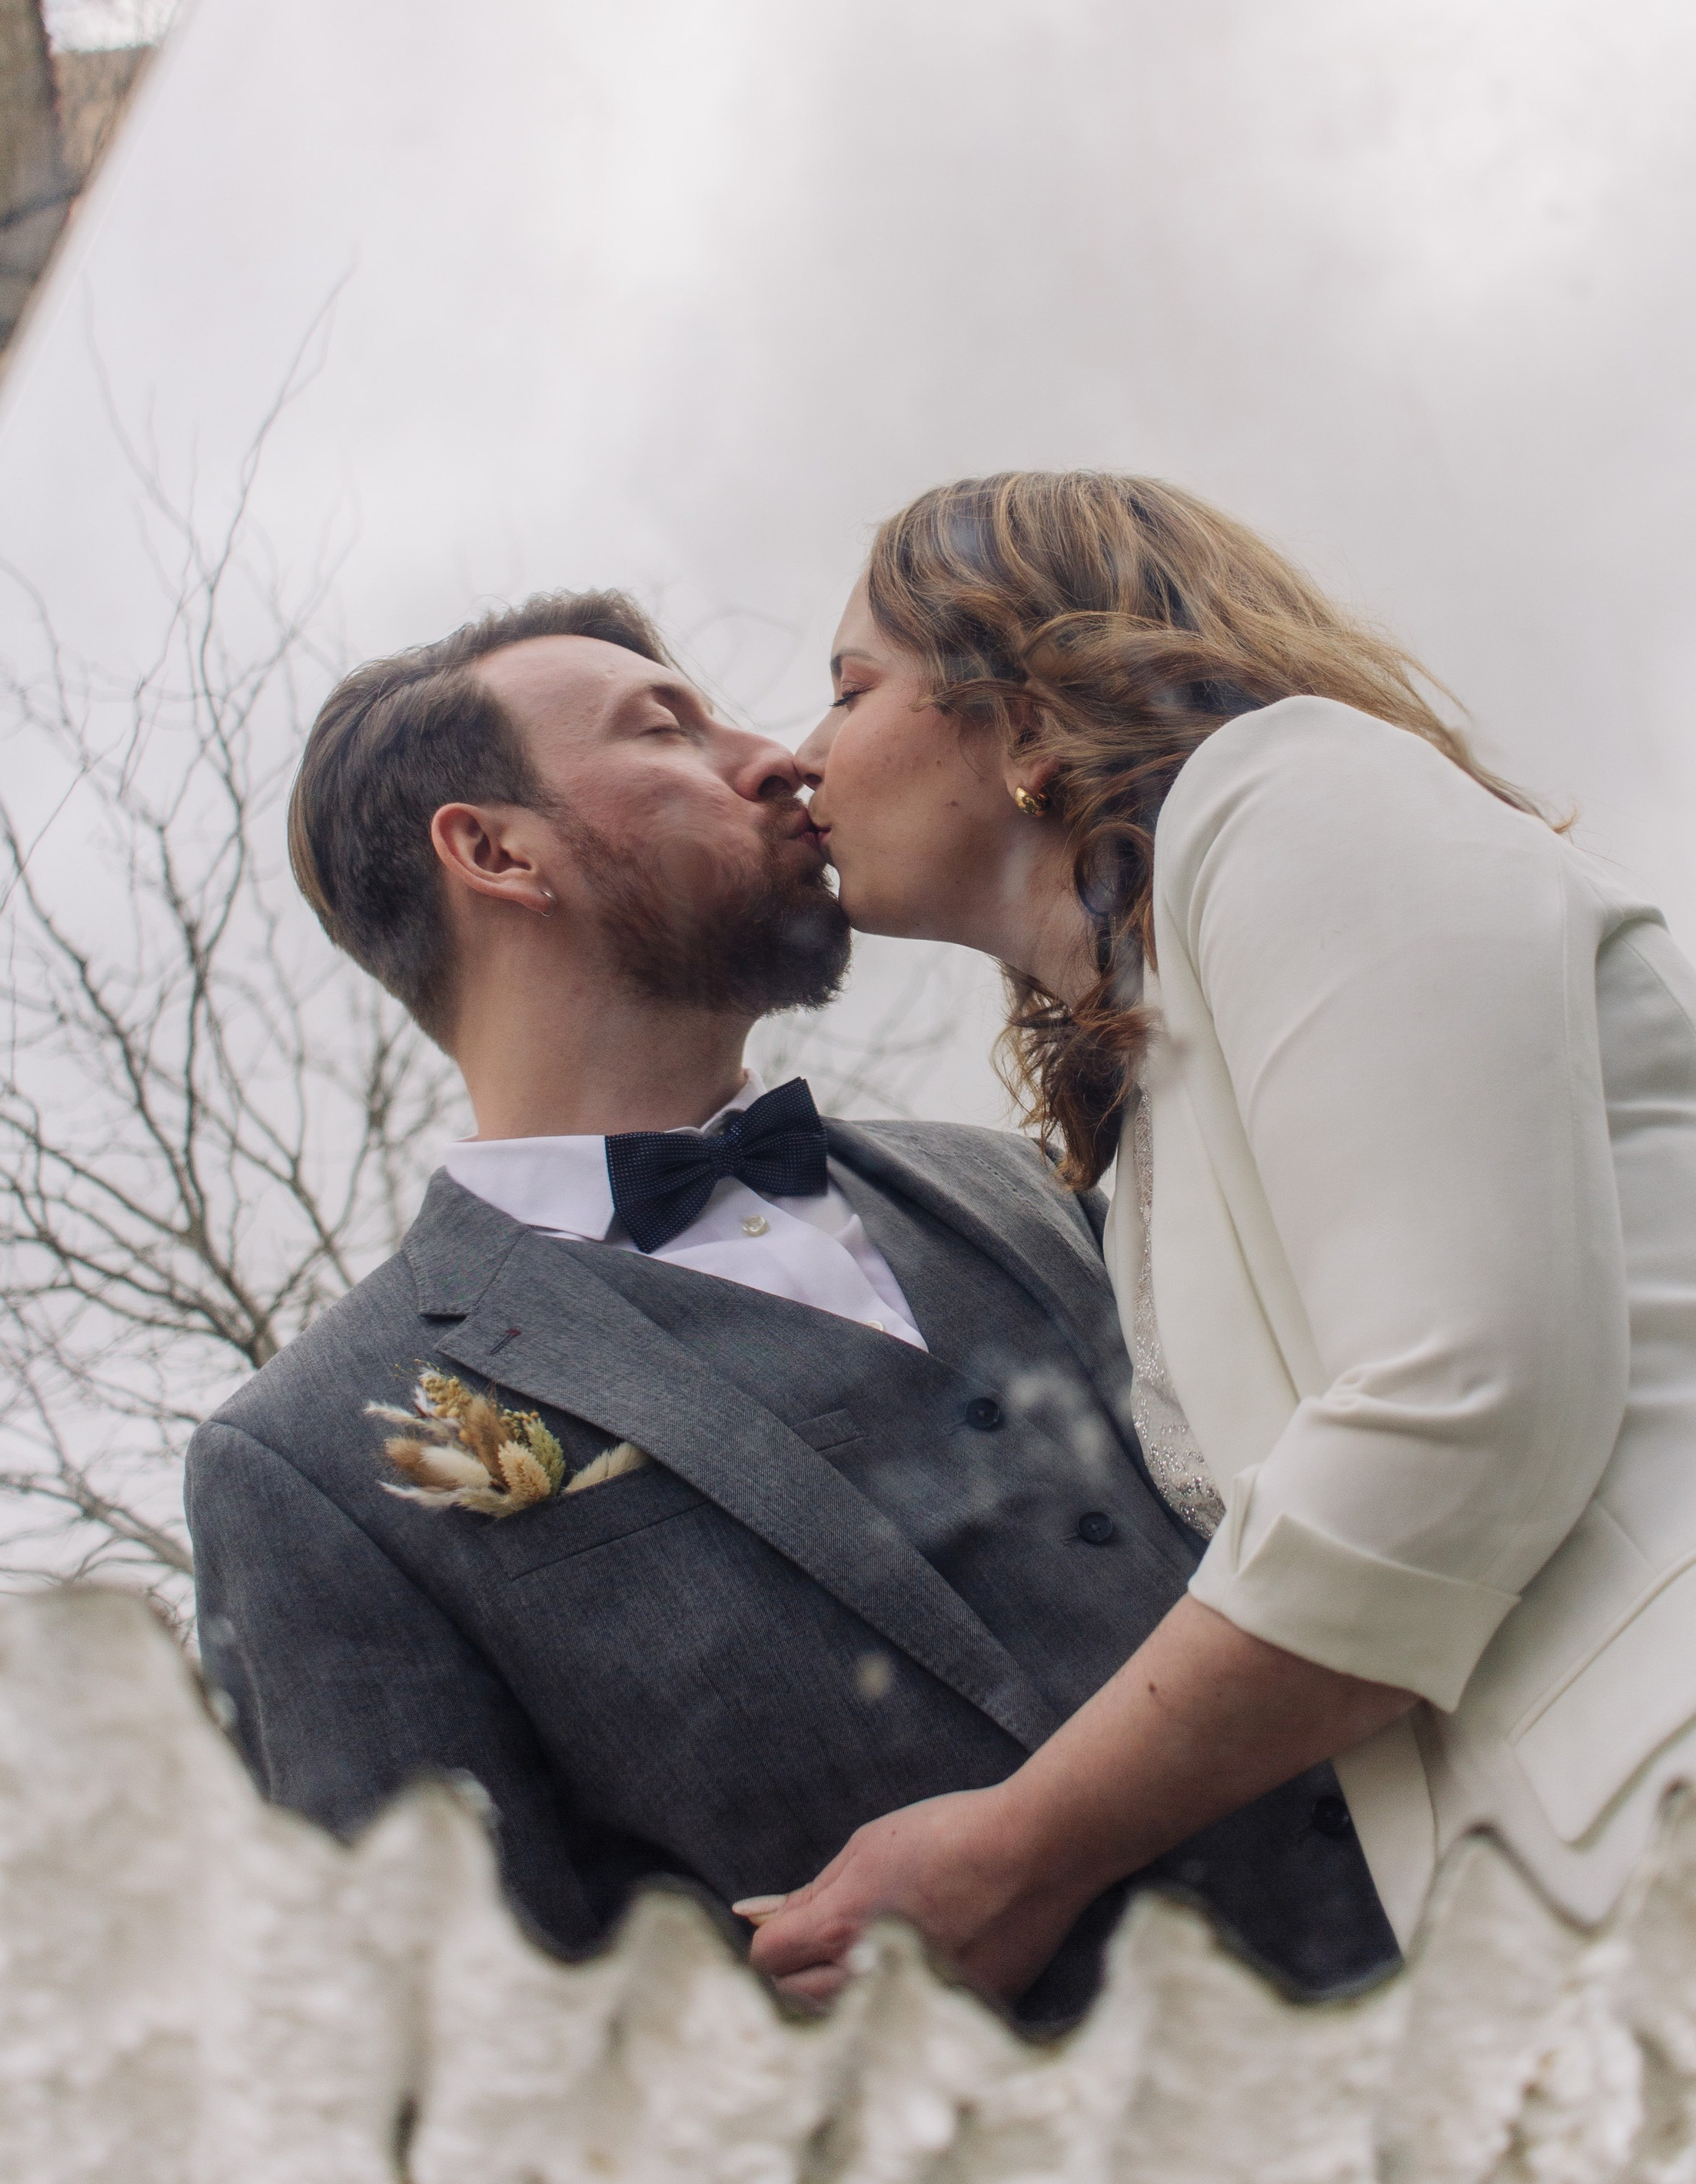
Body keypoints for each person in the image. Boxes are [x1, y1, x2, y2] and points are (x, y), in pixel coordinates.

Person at [746, 470, 1696, 2008]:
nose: (802, 755)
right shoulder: (1144, 1118)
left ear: (1028, 713)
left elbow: (1464, 1404)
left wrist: (1019, 1847)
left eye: (849, 688)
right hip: (1644, 1898)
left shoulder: (1290, 794)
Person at [185, 587, 1398, 2024]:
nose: (779, 758)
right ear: (495, 850)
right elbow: (463, 2060)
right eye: (669, 729)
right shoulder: (314, 1461)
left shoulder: (1012, 1183)